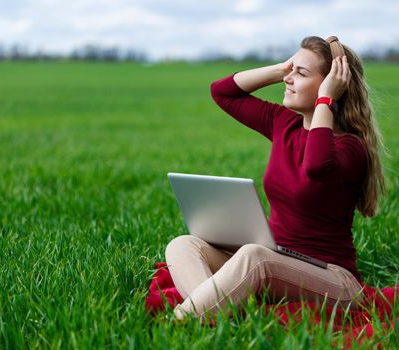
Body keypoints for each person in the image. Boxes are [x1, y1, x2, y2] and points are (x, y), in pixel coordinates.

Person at [165, 35, 386, 321]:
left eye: (301, 73)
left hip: (332, 280)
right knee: (184, 245)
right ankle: (220, 318)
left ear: (331, 86)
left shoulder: (350, 147)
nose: (289, 79)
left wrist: (326, 99)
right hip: (275, 260)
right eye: (291, 70)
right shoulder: (284, 124)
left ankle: (180, 321)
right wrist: (282, 69)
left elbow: (316, 166)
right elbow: (222, 93)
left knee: (254, 257)